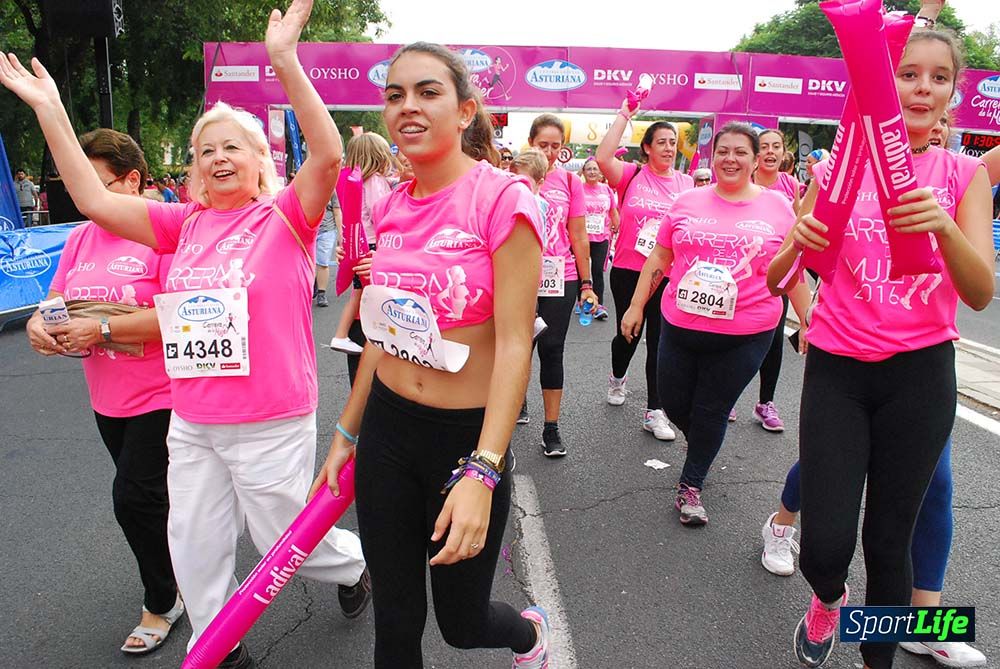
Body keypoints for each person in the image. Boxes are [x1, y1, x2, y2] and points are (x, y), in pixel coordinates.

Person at [0, 3, 370, 667]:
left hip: (269, 416)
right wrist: (50, 108)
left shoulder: (286, 219)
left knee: (284, 534)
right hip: (193, 416)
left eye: (232, 146)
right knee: (193, 540)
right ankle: (219, 643)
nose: (218, 157)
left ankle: (352, 568)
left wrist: (284, 59)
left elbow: (329, 152)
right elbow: (92, 198)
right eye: (206, 151)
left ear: (260, 161)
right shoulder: (183, 225)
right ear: (194, 171)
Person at [310, 41, 550, 668]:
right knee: (395, 620)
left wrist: (484, 469)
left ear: (466, 110)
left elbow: (516, 342)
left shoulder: (505, 200)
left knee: (462, 622)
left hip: (464, 439)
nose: (407, 107)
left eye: (427, 92)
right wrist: (345, 432)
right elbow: (381, 335)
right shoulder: (387, 205)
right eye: (395, 95)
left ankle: (528, 636)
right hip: (388, 430)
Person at [765, 28, 995, 669]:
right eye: (906, 73)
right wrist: (797, 247)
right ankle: (828, 599)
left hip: (921, 376)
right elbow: (778, 276)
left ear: (953, 92)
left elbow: (980, 292)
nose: (921, 88)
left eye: (938, 77)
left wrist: (944, 226)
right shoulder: (839, 167)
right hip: (839, 370)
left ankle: (886, 652)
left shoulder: (963, 173)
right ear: (879, 83)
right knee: (826, 546)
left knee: (890, 541)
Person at [24, 128, 182, 657]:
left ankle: (163, 601)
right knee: (155, 499)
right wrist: (40, 327)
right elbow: (55, 301)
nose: (83, 198)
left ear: (132, 180)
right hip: (105, 397)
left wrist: (107, 330)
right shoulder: (79, 239)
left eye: (94, 183)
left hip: (165, 394)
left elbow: (184, 316)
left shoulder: (162, 232)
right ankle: (190, 569)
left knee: (132, 498)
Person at [621, 122, 804, 526]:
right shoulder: (687, 201)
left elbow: (792, 269)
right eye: (723, 151)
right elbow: (660, 258)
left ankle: (691, 485)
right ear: (712, 156)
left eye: (741, 152)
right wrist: (636, 306)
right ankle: (702, 441)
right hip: (681, 325)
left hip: (747, 332)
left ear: (756, 161)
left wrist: (807, 319)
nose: (731, 158)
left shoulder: (778, 208)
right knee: (672, 402)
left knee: (712, 409)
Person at [596, 97, 694, 442]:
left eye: (672, 143)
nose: (669, 148)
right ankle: (618, 376)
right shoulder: (631, 176)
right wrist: (624, 113)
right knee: (629, 334)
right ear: (647, 149)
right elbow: (602, 158)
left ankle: (656, 411)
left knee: (661, 341)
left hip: (668, 274)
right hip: (627, 270)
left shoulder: (686, 184)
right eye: (662, 142)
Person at [526, 113, 598, 456]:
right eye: (543, 145)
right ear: (530, 144)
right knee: (517, 346)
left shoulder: (570, 182)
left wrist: (587, 282)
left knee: (552, 347)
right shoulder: (511, 178)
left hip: (561, 275)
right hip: (520, 276)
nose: (550, 152)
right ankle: (513, 406)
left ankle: (551, 428)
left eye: (556, 146)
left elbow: (578, 234)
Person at [729, 128, 807, 431]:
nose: (771, 152)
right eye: (765, 147)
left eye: (777, 146)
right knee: (736, 340)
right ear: (756, 154)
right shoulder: (744, 183)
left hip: (777, 277)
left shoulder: (791, 185)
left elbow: (799, 224)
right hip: (743, 275)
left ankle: (765, 403)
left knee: (773, 342)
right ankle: (729, 395)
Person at [329, 132, 396, 361]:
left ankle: (341, 333)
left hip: (356, 244)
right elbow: (383, 217)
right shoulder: (376, 182)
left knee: (358, 294)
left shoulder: (352, 184)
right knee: (367, 294)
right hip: (372, 245)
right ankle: (344, 335)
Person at [581, 157, 618, 320]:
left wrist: (617, 225)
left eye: (595, 169)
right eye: (588, 169)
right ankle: (581, 303)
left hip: (601, 236)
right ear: (583, 172)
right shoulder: (578, 189)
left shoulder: (606, 190)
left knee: (597, 271)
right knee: (581, 271)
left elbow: (613, 210)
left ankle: (599, 305)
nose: (592, 172)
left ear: (600, 173)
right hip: (581, 236)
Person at [314, 190, 341, 307]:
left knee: (323, 262)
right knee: (307, 263)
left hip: (327, 230)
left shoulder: (330, 188)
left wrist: (341, 233)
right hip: (307, 230)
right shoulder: (303, 184)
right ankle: (314, 283)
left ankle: (321, 293)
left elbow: (337, 211)